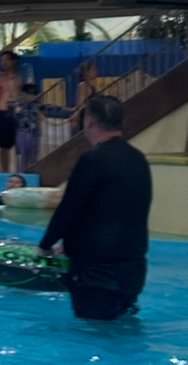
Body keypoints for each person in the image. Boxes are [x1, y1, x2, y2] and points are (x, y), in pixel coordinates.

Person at [39, 95, 152, 321]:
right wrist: (71, 242)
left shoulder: (93, 159)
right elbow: (116, 211)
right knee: (121, 328)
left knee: (93, 334)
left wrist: (46, 245)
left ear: (89, 120)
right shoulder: (138, 158)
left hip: (97, 274)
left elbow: (69, 209)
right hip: (133, 270)